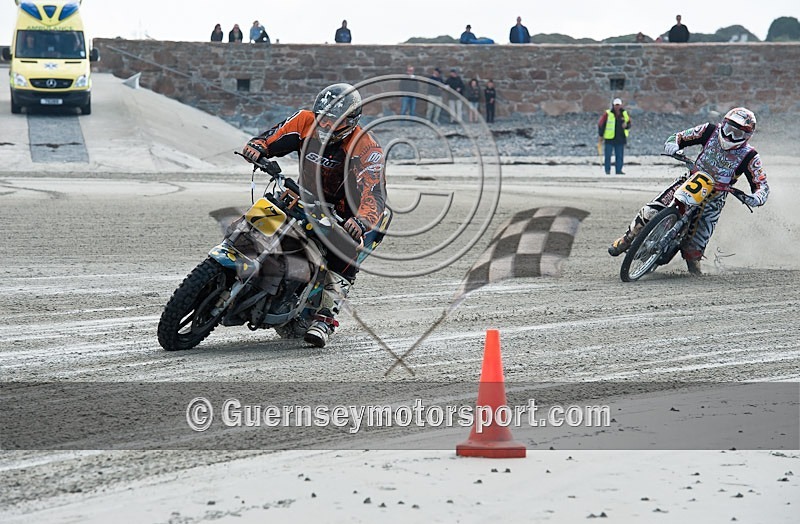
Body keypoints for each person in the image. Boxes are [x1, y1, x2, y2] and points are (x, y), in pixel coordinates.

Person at [241, 84, 387, 347]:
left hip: (341, 215)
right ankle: (231, 265)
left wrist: (361, 220)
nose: (327, 124)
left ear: (352, 120)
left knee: (345, 252)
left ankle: (324, 319)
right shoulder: (304, 120)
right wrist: (258, 146)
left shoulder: (367, 147)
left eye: (335, 120)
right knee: (256, 220)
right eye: (324, 117)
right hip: (302, 197)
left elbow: (374, 191)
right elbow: (274, 137)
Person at [608, 107, 768, 275]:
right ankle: (627, 239)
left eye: (738, 134)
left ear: (747, 137)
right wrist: (673, 144)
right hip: (691, 180)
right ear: (724, 124)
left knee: (694, 250)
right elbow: (679, 136)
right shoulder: (709, 130)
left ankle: (695, 272)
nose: (731, 136)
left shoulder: (750, 156)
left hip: (715, 197)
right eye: (729, 130)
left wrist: (756, 197)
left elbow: (762, 185)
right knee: (650, 211)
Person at [597, 98, 631, 175]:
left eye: (618, 105)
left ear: (621, 105)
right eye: (616, 105)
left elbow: (629, 124)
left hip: (620, 138)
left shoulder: (624, 113)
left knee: (619, 155)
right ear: (613, 105)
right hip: (609, 138)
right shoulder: (608, 113)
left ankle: (618, 170)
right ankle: (607, 170)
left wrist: (626, 126)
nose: (617, 107)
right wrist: (601, 135)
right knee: (608, 155)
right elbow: (601, 125)